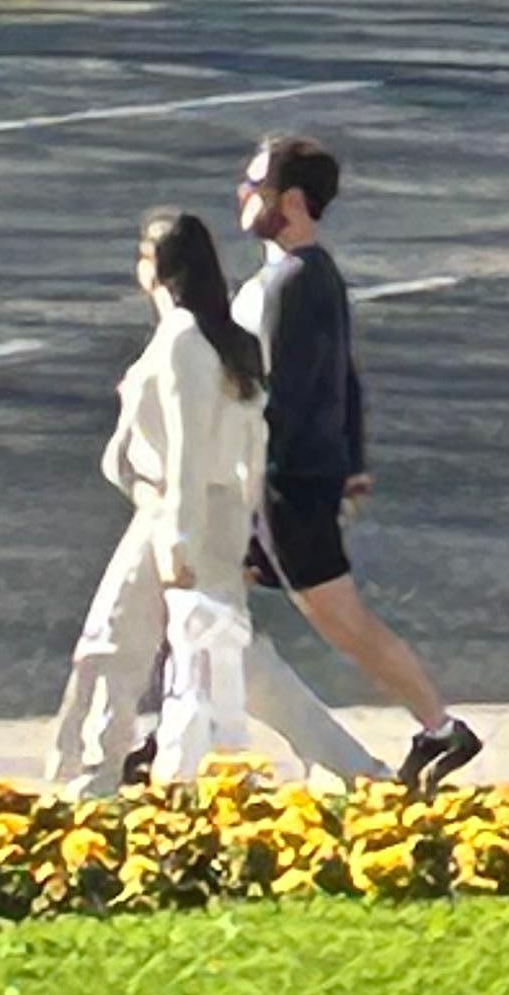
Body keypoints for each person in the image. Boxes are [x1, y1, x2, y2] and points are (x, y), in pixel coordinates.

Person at [233, 130, 482, 796]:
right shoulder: (299, 275)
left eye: (255, 185)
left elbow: (281, 392)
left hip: (285, 485)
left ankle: (438, 727)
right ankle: (168, 740)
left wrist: (249, 473)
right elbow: (347, 376)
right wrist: (354, 462)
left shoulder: (295, 282)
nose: (243, 194)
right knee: (208, 611)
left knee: (341, 621)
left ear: (289, 199)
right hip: (287, 481)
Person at [47, 212, 270, 791]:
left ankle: (99, 775)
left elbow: (188, 452)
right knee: (210, 655)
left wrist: (178, 539)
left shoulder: (183, 343)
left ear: (158, 270)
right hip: (198, 512)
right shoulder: (213, 341)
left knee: (126, 642)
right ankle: (136, 772)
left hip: (181, 513)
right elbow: (252, 447)